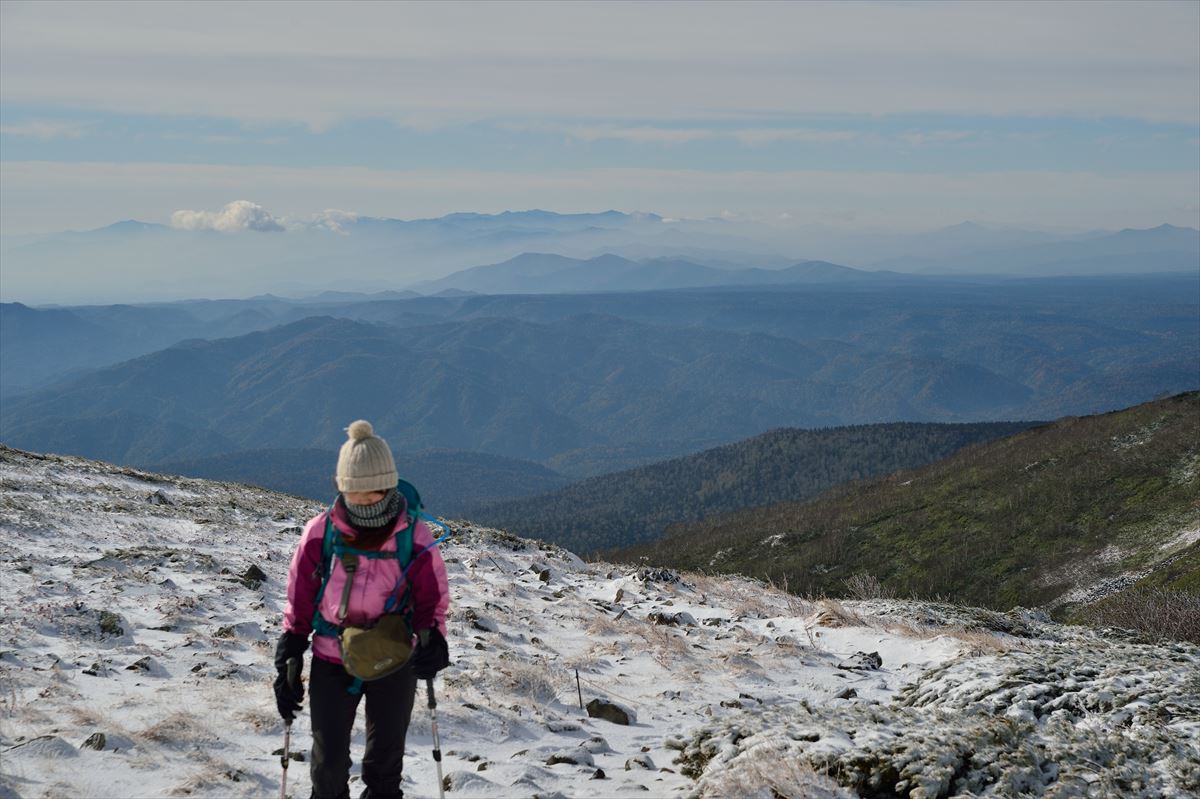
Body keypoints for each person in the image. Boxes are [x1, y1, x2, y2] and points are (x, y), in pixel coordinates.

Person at [273, 420, 450, 799]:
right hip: (331, 657)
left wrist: (433, 638)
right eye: (355, 492)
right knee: (328, 767)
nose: (365, 500)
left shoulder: (413, 535)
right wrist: (290, 646)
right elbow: (300, 595)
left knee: (385, 767)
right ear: (341, 486)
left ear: (389, 486)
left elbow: (431, 598)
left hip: (395, 656)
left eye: (373, 492)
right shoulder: (321, 533)